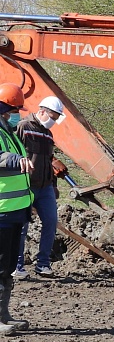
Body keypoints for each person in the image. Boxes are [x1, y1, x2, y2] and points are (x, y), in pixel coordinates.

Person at [12, 96, 64, 278]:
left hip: (45, 187)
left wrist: (54, 184)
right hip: (26, 185)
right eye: (53, 117)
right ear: (42, 111)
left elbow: (48, 161)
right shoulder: (23, 127)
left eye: (57, 118)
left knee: (50, 221)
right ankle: (16, 266)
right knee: (21, 226)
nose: (54, 121)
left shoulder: (48, 135)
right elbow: (13, 154)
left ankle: (43, 264)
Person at [0, 83, 34, 335]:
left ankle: (4, 315)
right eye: (12, 109)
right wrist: (15, 159)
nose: (15, 113)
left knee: (8, 265)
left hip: (15, 212)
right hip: (1, 212)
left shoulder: (9, 132)